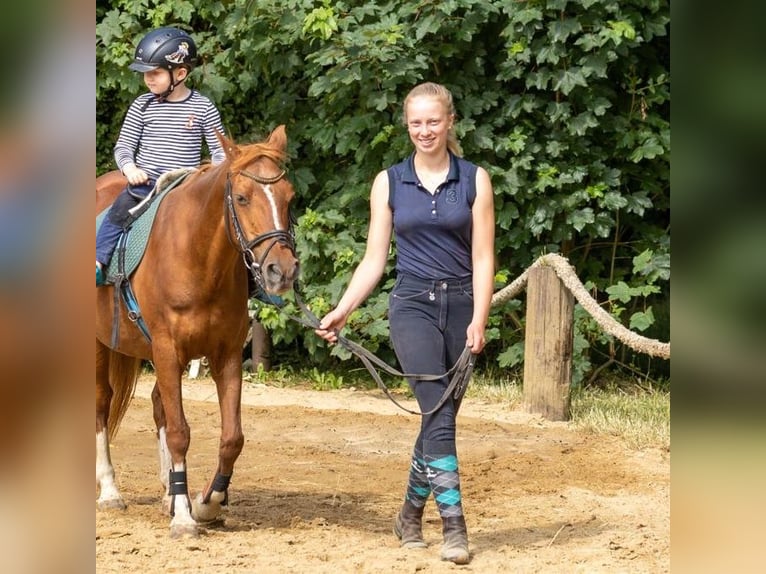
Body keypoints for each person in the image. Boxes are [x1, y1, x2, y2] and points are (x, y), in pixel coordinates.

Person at [315, 82, 495, 564]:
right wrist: (344, 308)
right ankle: (455, 528)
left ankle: (409, 514)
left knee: (440, 418)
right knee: (437, 415)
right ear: (406, 125)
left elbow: (483, 256)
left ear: (450, 122)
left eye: (432, 121)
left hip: (461, 306)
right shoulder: (388, 182)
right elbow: (375, 259)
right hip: (411, 304)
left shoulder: (475, 180)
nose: (424, 130)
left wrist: (480, 317)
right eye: (415, 122)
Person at [96, 27, 226, 285]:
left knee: (228, 220)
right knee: (118, 212)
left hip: (187, 184)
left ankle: (254, 282)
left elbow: (219, 150)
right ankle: (98, 260)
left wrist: (214, 176)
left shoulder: (202, 107)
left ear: (180, 73)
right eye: (145, 74)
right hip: (147, 183)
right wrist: (130, 168)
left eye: (155, 73)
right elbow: (123, 147)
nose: (148, 80)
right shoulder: (142, 106)